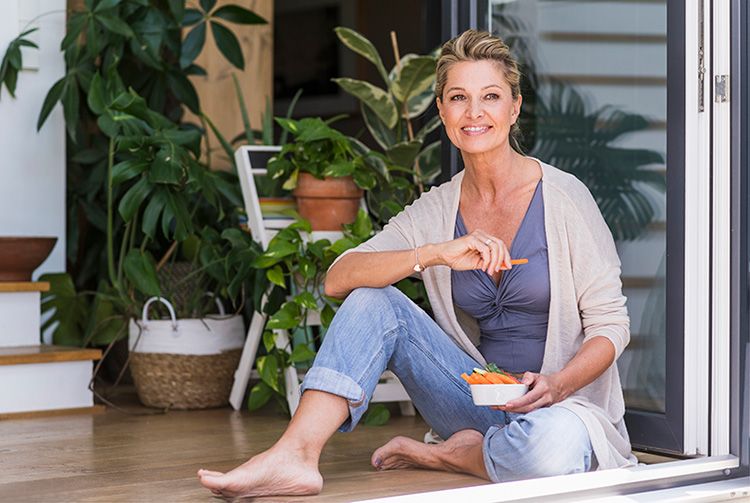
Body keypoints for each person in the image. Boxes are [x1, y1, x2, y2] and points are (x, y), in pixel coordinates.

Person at [198, 29, 636, 499]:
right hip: (473, 400)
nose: (474, 113)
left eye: (490, 96)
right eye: (458, 98)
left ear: (514, 108)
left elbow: (611, 326)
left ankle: (453, 455)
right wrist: (431, 254)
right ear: (443, 112)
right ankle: (296, 456)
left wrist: (556, 384)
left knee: (549, 451)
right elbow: (338, 278)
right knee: (374, 299)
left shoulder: (566, 198)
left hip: (562, 409)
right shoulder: (438, 210)